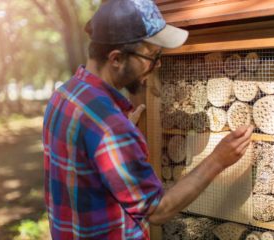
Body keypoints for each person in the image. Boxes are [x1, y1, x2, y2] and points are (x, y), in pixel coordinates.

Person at [42, 0, 254, 239]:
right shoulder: (111, 129)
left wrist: (113, 141)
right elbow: (157, 210)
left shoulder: (64, 97)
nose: (158, 64)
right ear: (116, 59)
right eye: (152, 55)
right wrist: (218, 159)